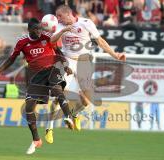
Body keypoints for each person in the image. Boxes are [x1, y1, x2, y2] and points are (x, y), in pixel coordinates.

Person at [0, 18, 74, 154]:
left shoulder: (46, 37)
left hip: (51, 70)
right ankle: (36, 140)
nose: (39, 32)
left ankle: (68, 116)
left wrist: (65, 65)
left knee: (57, 90)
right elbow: (10, 59)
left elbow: (58, 51)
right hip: (35, 77)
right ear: (29, 30)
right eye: (36, 29)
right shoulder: (22, 42)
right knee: (29, 108)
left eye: (40, 29)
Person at [44, 4, 126, 144]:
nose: (58, 19)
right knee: (59, 94)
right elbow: (51, 42)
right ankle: (49, 128)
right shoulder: (59, 25)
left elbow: (100, 41)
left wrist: (115, 55)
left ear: (68, 14)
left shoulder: (86, 23)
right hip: (67, 61)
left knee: (87, 99)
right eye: (57, 17)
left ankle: (75, 113)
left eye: (60, 16)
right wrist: (63, 30)